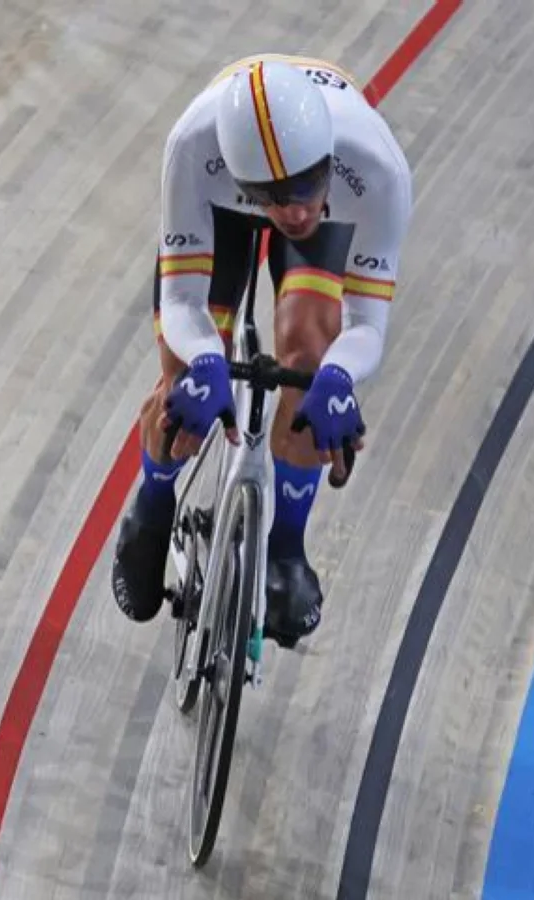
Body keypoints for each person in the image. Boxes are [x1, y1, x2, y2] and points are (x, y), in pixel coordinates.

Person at [110, 54, 414, 645]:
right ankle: (152, 502)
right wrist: (202, 361)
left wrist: (338, 378)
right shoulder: (192, 149)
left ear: (328, 159)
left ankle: (286, 549)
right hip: (220, 209)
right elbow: (181, 302)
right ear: (243, 175)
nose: (292, 211)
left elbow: (367, 326)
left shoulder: (376, 169)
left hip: (336, 206)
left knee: (306, 361)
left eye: (303, 190)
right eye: (271, 196)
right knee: (180, 389)